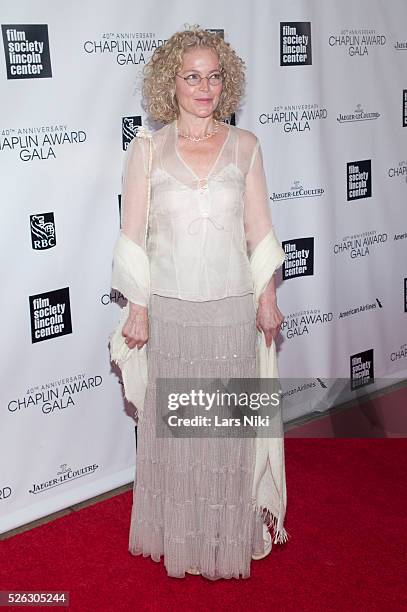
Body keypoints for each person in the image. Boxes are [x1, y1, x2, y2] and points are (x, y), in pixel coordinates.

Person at [111, 26, 288, 580]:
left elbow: (260, 232)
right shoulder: (147, 150)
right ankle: (181, 538)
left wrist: (267, 298)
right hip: (173, 313)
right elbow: (132, 236)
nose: (204, 87)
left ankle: (225, 537)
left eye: (214, 76)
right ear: (172, 83)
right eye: (192, 76)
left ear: (226, 82)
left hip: (232, 312)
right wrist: (137, 308)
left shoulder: (247, 146)